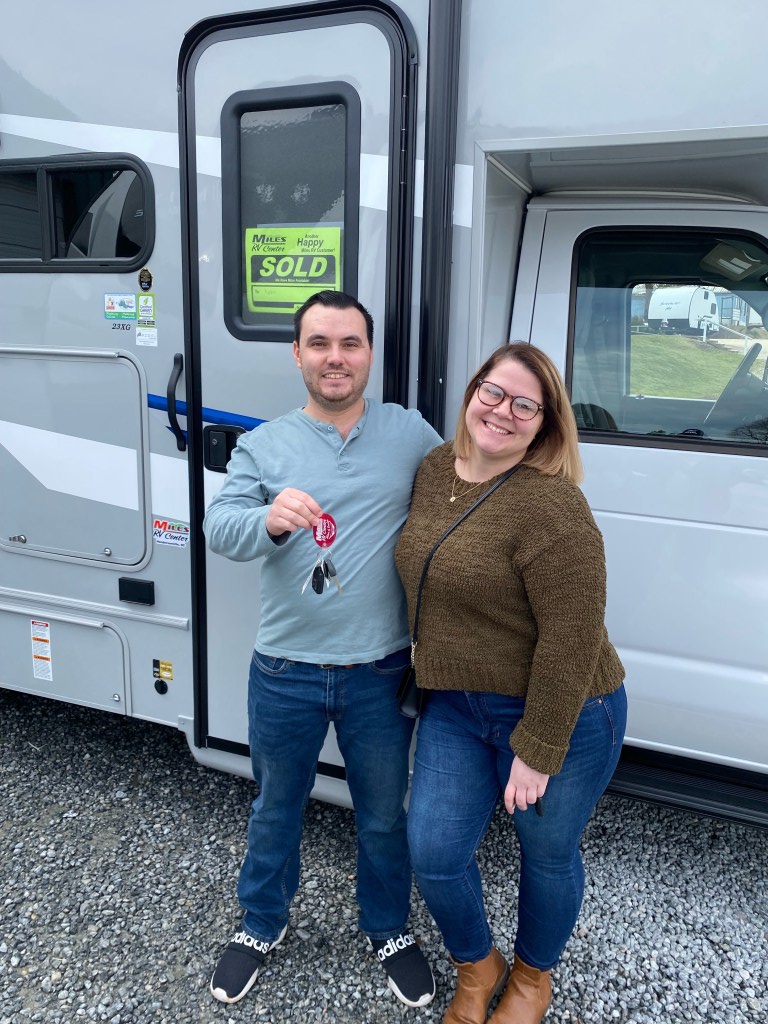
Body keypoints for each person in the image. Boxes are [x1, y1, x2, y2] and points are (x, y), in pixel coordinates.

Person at [203, 290, 441, 1009]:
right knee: (277, 805)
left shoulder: (410, 434)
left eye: (350, 344)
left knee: (382, 814)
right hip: (285, 670)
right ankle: (261, 924)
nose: (335, 358)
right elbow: (221, 528)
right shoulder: (264, 444)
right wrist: (268, 522)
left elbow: (467, 491)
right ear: (297, 354)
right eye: (319, 344)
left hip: (380, 669)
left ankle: (389, 929)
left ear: (370, 354)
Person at [395, 342, 627, 1024]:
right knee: (433, 851)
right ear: (472, 393)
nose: (503, 411)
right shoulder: (436, 467)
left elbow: (574, 636)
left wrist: (539, 746)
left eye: (526, 404)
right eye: (493, 393)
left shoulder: (553, 508)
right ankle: (478, 963)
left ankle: (531, 978)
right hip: (460, 705)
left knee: (547, 854)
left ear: (546, 422)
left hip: (566, 711)